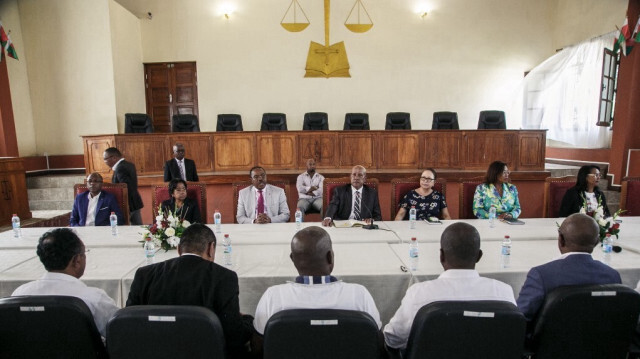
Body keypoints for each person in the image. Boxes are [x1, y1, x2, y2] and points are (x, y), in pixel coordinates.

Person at [126, 224, 254, 356]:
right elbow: (234, 338)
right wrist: (247, 321)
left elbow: (128, 324)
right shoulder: (224, 278)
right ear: (211, 248)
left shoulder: (144, 275)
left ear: (179, 249)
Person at [383, 222, 515, 350]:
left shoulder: (419, 294)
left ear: (441, 256)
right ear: (479, 256)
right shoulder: (504, 293)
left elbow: (392, 340)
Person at [253, 226, 381, 335]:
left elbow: (259, 345)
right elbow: (376, 341)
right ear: (330, 257)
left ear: (293, 259)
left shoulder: (273, 297)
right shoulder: (359, 295)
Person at [12, 228, 119, 338]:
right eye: (84, 253)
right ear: (76, 260)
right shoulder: (94, 299)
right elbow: (120, 333)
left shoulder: (19, 294)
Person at [517, 213, 621, 321]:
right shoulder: (613, 276)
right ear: (596, 242)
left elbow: (519, 319)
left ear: (561, 239)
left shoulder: (541, 276)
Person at [103, 147, 144, 225]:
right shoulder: (129, 164)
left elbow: (124, 188)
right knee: (138, 227)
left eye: (105, 159)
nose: (104, 162)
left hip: (127, 204)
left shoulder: (120, 168)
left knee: (126, 229)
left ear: (114, 157)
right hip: (134, 202)